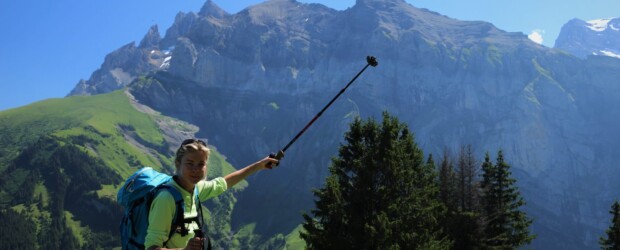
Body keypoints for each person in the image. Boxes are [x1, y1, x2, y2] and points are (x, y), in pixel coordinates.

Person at [145, 139, 280, 250]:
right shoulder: (165, 199)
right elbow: (151, 248)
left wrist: (260, 165)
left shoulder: (196, 188)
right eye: (190, 163)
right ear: (177, 163)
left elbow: (225, 183)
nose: (195, 170)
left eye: (201, 164)